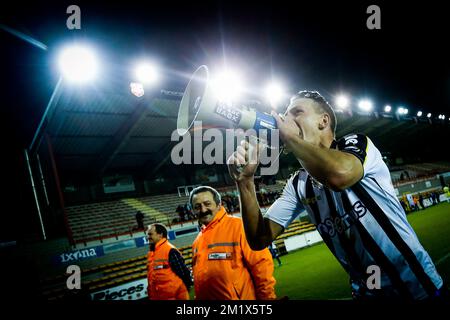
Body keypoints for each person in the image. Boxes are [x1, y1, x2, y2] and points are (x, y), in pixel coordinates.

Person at [227, 90, 446, 300]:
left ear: (323, 121)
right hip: (367, 292)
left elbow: (339, 176)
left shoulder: (356, 144)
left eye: (297, 112)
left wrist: (292, 139)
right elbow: (258, 238)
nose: (286, 119)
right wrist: (245, 182)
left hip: (417, 287)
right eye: (286, 115)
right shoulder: (298, 184)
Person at [189, 186, 276, 300]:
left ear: (219, 204)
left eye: (207, 203)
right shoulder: (197, 241)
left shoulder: (240, 227)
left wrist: (267, 299)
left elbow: (261, 265)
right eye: (197, 206)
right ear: (192, 210)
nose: (203, 210)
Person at [146, 223, 192, 300]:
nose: (148, 237)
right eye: (148, 235)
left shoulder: (170, 250)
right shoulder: (151, 253)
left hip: (174, 296)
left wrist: (185, 287)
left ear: (160, 235)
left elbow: (183, 272)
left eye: (150, 234)